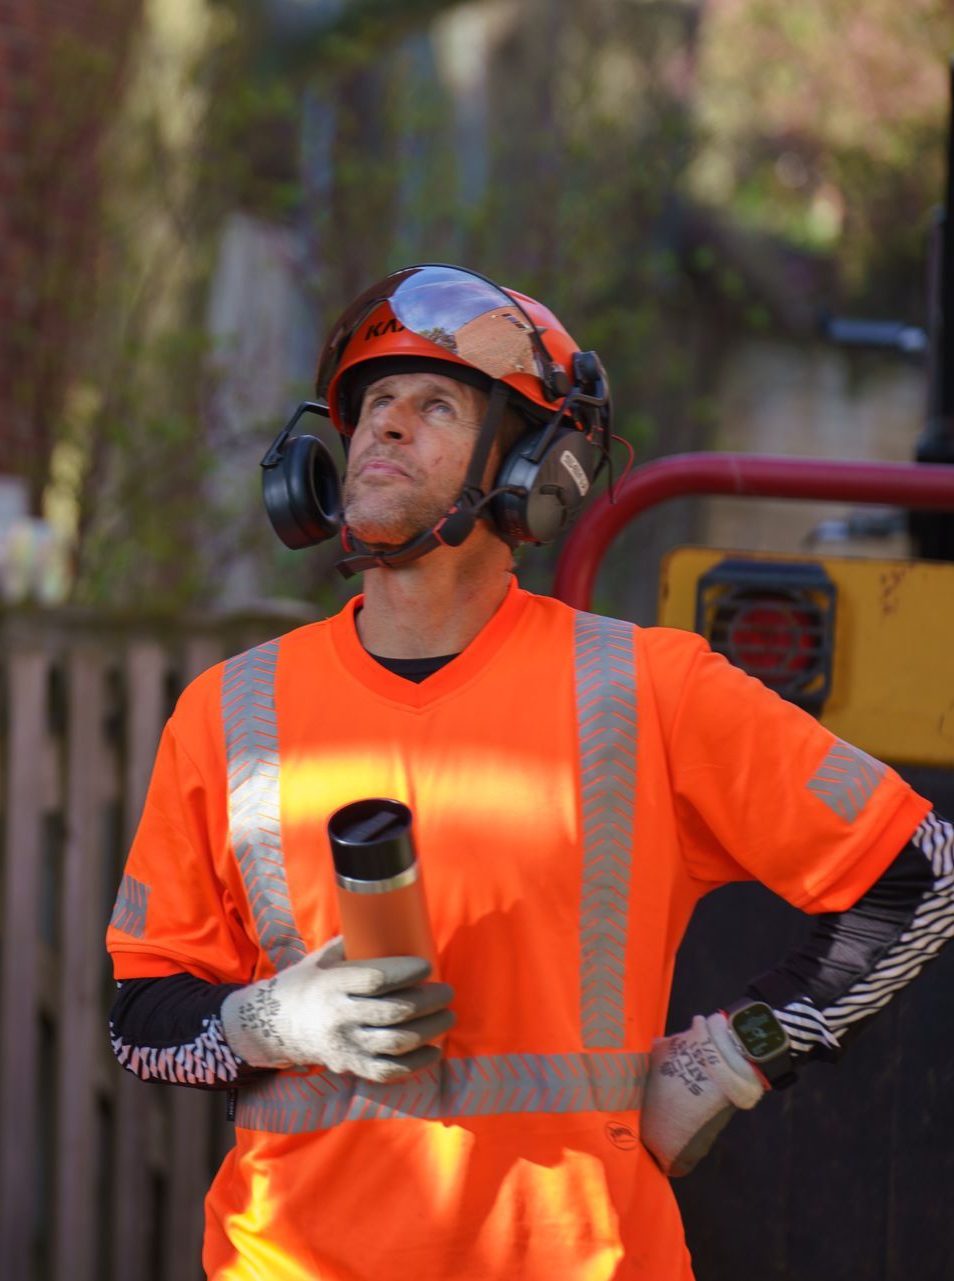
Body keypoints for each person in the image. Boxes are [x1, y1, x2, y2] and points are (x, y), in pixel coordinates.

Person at [104, 264, 953, 1279]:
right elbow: (140, 1020)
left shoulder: (646, 691)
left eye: (434, 405)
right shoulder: (230, 714)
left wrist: (732, 1059)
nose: (384, 427)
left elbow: (921, 872)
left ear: (530, 475)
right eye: (373, 404)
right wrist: (265, 1021)